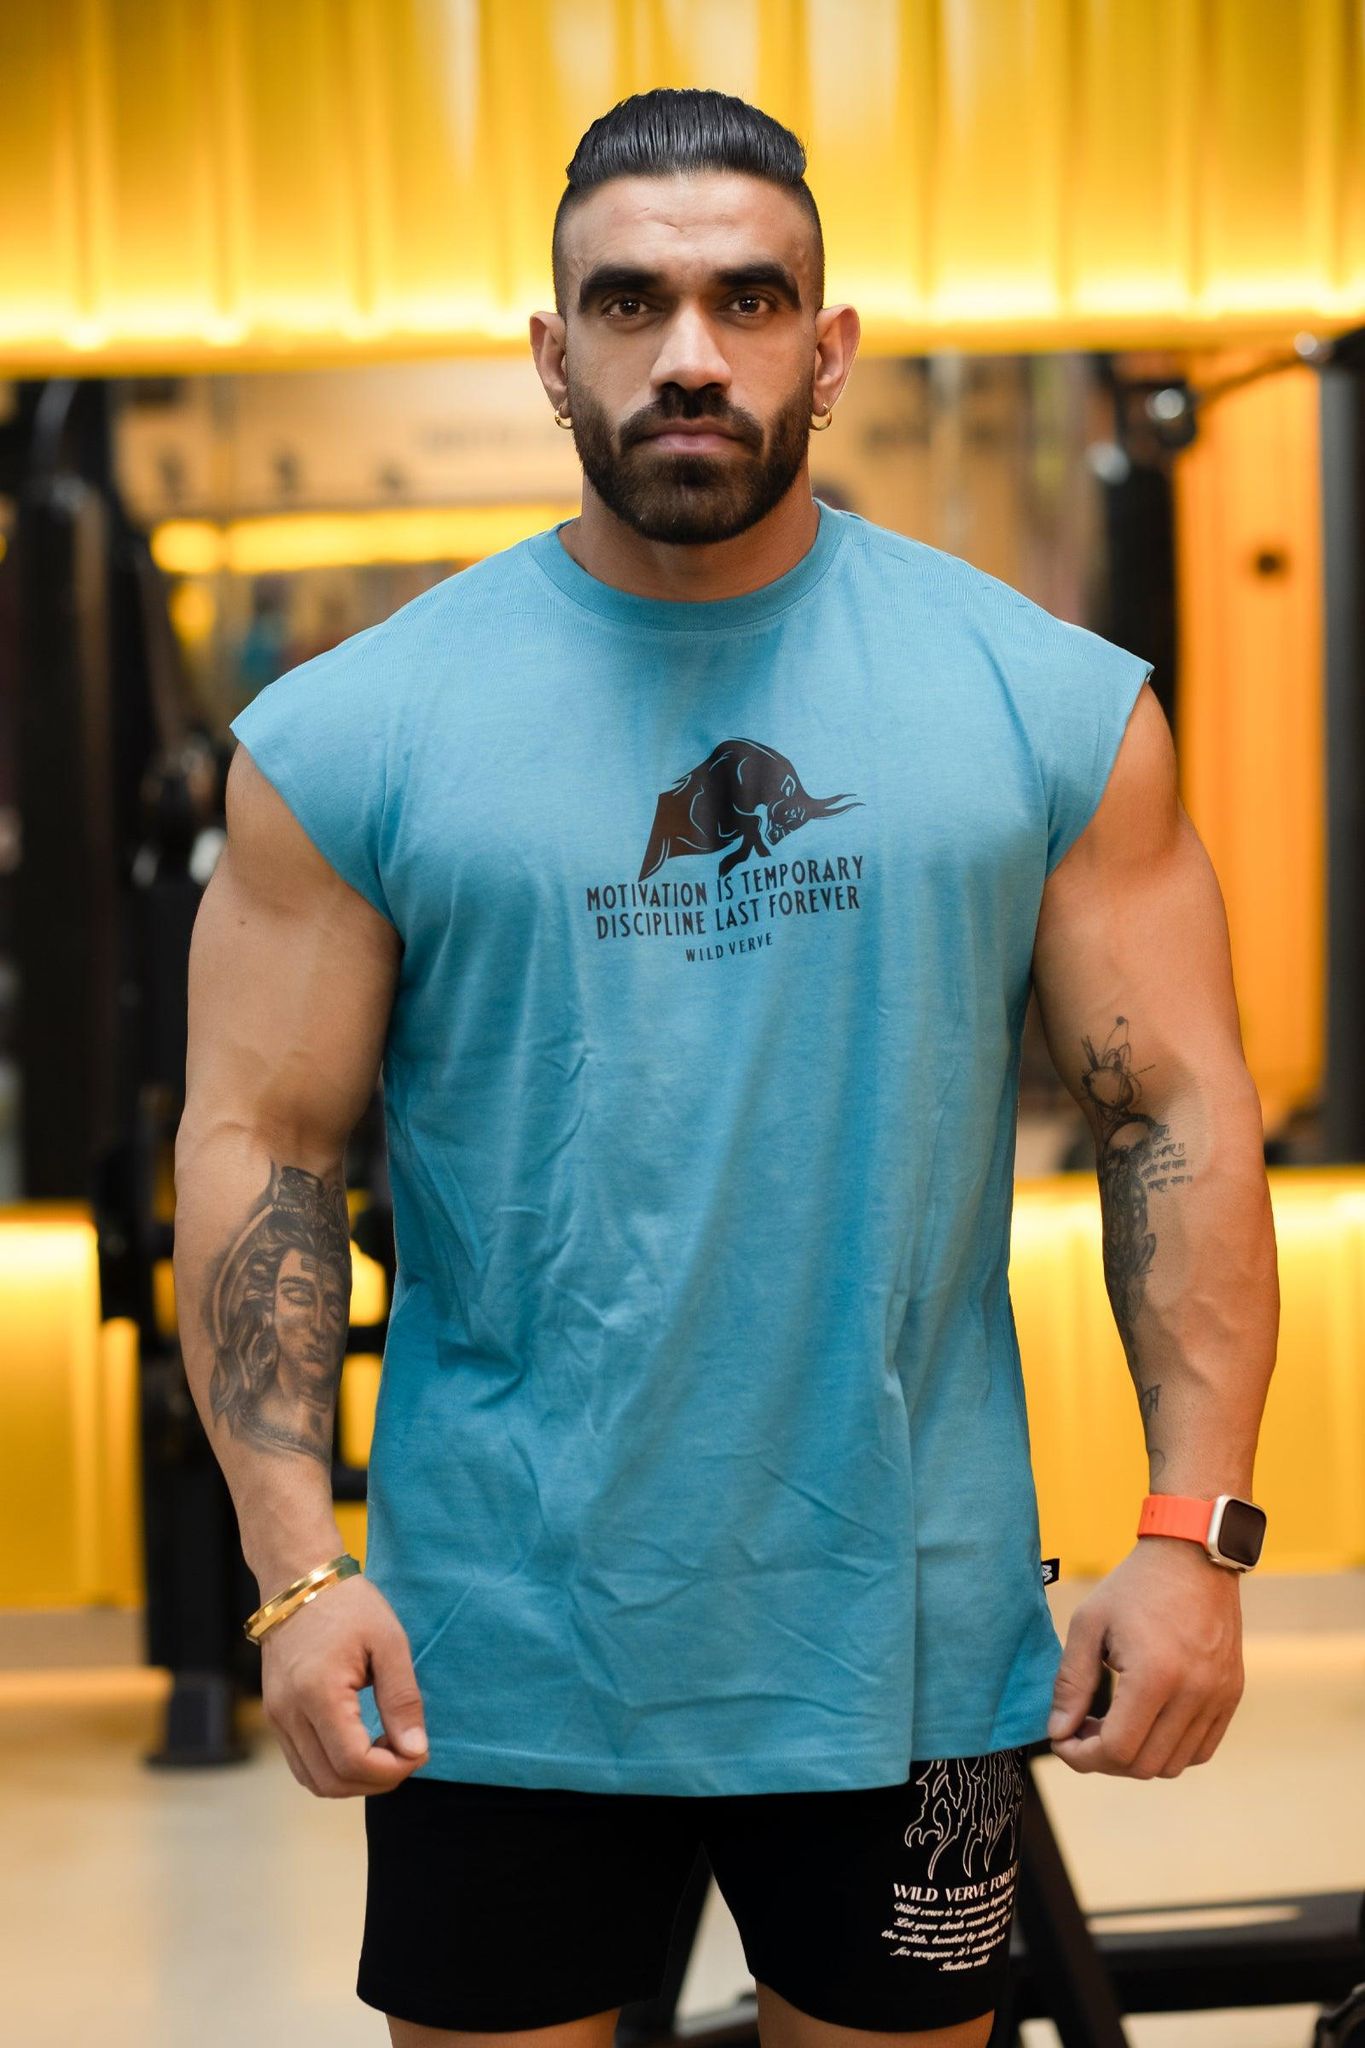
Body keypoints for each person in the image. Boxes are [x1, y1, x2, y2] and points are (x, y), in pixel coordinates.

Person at [173, 87, 1278, 2048]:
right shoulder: (354, 737)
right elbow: (263, 1144)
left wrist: (1193, 1536)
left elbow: (1171, 1113)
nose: (688, 352)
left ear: (825, 349)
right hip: (493, 1647)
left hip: (903, 1633)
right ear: (550, 352)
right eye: (629, 302)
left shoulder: (1041, 705)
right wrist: (290, 1571)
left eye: (746, 299)